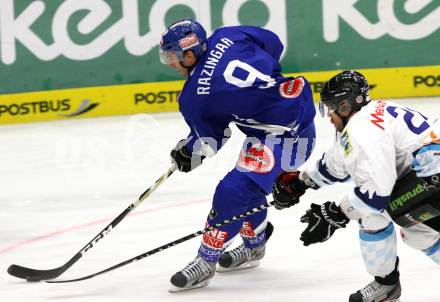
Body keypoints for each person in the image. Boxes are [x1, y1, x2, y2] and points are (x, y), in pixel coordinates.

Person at [159, 19, 316, 292]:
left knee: (232, 191)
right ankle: (255, 246)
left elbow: (212, 139)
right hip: (294, 119)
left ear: (190, 53)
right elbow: (273, 43)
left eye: (173, 56)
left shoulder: (194, 96)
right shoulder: (228, 35)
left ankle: (205, 262)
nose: (170, 63)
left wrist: (188, 153)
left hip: (288, 139)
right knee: (248, 190)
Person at [272, 70, 440, 302]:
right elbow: (337, 163)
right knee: (416, 230)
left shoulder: (362, 129)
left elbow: (376, 194)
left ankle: (386, 286)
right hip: (431, 176)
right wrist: (302, 182)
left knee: (380, 214)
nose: (328, 115)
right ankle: (387, 285)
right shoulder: (370, 115)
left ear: (344, 105)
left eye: (330, 108)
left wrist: (335, 214)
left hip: (434, 180)